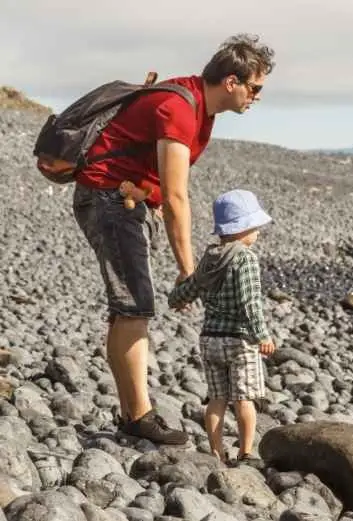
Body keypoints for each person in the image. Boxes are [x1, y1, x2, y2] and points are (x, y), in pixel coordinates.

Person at [72, 34, 275, 444]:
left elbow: (161, 181)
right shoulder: (181, 107)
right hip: (109, 196)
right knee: (134, 307)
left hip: (124, 198)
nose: (257, 97)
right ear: (232, 81)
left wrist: (156, 202)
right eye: (255, 88)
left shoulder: (200, 108)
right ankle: (139, 417)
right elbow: (179, 193)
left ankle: (133, 413)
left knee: (127, 308)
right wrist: (188, 271)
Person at [167, 189, 276, 464]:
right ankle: (245, 452)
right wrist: (262, 335)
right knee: (244, 399)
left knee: (217, 399)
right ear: (243, 229)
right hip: (239, 341)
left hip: (210, 340)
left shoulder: (210, 257)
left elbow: (191, 286)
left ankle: (216, 452)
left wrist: (177, 299)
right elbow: (250, 302)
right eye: (255, 227)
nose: (258, 233)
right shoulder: (245, 258)